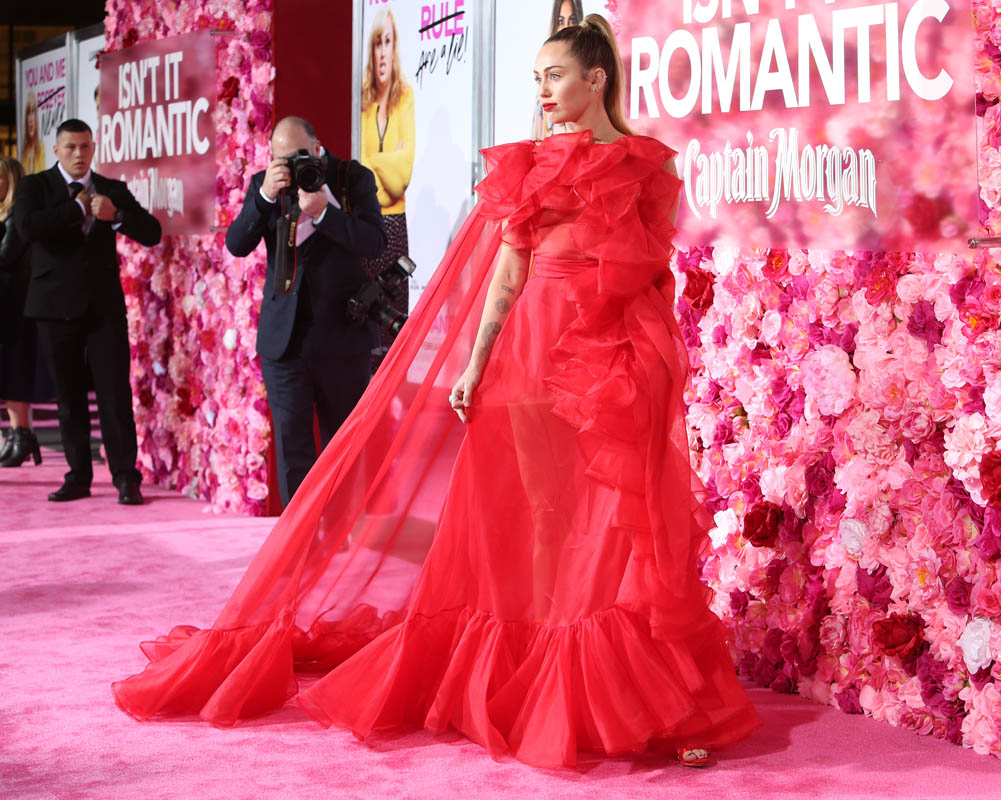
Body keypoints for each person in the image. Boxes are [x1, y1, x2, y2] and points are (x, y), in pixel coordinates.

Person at [113, 17, 760, 769]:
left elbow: (652, 277)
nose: (543, 91)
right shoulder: (531, 165)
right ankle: (547, 673)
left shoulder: (646, 165)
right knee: (546, 518)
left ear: (597, 79)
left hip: (614, 363)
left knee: (623, 523)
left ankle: (652, 696)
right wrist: (475, 365)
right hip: (532, 356)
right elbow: (508, 275)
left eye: (555, 76)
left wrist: (650, 363)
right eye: (537, 78)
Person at [225, 116, 386, 507]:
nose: (291, 166)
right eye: (281, 159)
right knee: (292, 449)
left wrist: (326, 213)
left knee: (343, 446)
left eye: (299, 156)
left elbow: (375, 243)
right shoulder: (266, 184)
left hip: (342, 337)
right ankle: (300, 537)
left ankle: (343, 530)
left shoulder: (351, 178)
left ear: (317, 148)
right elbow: (237, 244)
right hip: (285, 343)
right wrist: (264, 196)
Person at [11, 119, 161, 504]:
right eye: (71, 147)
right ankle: (78, 476)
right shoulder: (35, 186)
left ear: (93, 148)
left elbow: (152, 232)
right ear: (57, 150)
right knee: (69, 397)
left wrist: (118, 215)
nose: (78, 154)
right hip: (53, 306)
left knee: (114, 395)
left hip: (103, 308)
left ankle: (126, 478)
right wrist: (75, 209)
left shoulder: (111, 189)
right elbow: (26, 228)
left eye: (85, 146)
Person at [360, 6, 415, 326]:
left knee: (394, 318)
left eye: (388, 41)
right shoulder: (362, 104)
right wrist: (386, 164)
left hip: (395, 225)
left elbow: (403, 174)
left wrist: (371, 163)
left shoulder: (405, 98)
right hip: (367, 224)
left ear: (395, 48)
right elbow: (359, 171)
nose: (383, 51)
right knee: (366, 317)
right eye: (377, 43)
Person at [0, 157, 54, 467]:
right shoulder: (7, 214)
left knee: (15, 372)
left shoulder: (16, 215)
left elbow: (6, 256)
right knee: (10, 373)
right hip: (10, 303)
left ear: (11, 180)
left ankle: (22, 435)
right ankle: (18, 434)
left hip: (15, 305)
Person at [531, 0, 585, 140]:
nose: (566, 27)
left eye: (572, 20)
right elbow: (536, 142)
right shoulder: (542, 101)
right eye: (561, 21)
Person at [20, 96, 45, 176]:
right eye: (28, 112)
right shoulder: (24, 151)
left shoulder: (41, 148)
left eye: (33, 112)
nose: (31, 119)